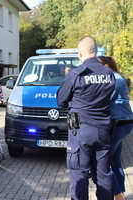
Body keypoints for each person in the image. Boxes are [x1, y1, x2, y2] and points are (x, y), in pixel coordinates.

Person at [57, 36, 115, 200]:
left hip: (81, 131)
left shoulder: (76, 73)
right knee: (103, 176)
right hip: (103, 130)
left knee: (80, 176)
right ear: (95, 51)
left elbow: (61, 99)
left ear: (79, 53)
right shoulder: (108, 73)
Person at [97, 56, 133, 200]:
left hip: (118, 124)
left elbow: (104, 99)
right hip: (123, 123)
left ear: (107, 65)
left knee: (103, 161)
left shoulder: (113, 79)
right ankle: (121, 193)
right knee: (115, 161)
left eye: (99, 66)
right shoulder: (116, 77)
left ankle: (118, 195)